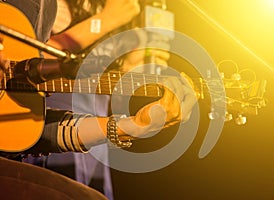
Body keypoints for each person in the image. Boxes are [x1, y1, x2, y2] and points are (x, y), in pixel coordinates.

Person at [0, 0, 198, 199]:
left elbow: (31, 125)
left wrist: (133, 124)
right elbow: (27, 62)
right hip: (40, 131)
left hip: (56, 128)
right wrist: (109, 20)